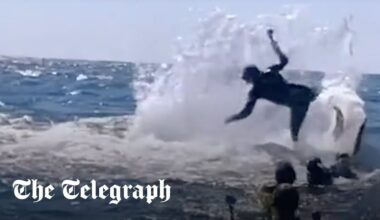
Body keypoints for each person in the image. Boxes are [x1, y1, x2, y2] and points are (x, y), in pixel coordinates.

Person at [225, 29, 317, 142]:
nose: (249, 81)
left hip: (299, 96)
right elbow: (246, 112)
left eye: (247, 78)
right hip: (300, 99)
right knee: (293, 133)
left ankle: (329, 109)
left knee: (294, 132)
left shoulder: (258, 87)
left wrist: (273, 42)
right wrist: (232, 119)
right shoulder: (258, 87)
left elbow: (284, 61)